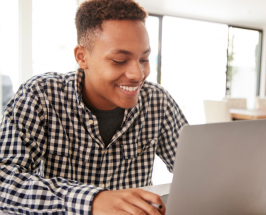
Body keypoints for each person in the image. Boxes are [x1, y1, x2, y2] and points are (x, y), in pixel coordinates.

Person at [0, 0, 187, 214]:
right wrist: (93, 201)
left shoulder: (158, 101)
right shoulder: (40, 95)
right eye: (119, 60)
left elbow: (197, 170)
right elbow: (4, 180)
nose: (138, 74)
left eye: (144, 58)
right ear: (82, 56)